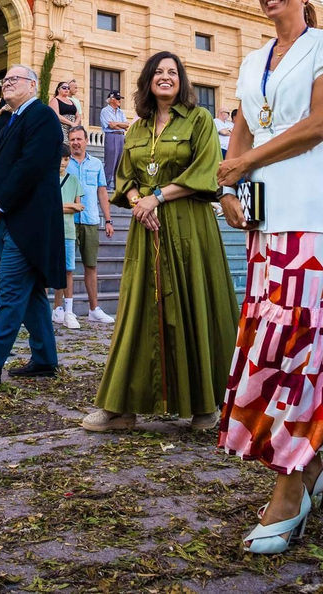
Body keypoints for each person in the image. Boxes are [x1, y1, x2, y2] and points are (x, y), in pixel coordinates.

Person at [214, 0, 323, 555]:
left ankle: (290, 488)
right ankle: (309, 467)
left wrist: (245, 164)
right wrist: (229, 188)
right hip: (269, 218)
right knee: (270, 345)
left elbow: (321, 123)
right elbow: (242, 125)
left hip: (322, 217)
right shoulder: (253, 61)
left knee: (310, 349)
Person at [83, 50, 234, 430]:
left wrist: (158, 197)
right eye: (158, 72)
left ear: (181, 81)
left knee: (193, 304)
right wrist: (140, 202)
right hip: (145, 228)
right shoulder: (136, 128)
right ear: (148, 80)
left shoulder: (199, 119)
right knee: (138, 310)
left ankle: (205, 405)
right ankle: (121, 406)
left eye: (172, 72)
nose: (165, 77)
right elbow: (125, 177)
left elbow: (206, 170)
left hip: (190, 227)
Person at [0, 65, 64, 389]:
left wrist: (0, 203)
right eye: (4, 80)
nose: (5, 84)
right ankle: (44, 359)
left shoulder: (43, 116)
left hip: (29, 221)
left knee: (11, 292)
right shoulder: (8, 121)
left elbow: (30, 166)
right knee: (31, 296)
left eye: (13, 79)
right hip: (5, 220)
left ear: (32, 85)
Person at [65, 125, 115, 323]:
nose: (75, 143)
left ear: (86, 141)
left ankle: (94, 309)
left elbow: (102, 192)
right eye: (72, 139)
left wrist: (108, 220)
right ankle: (63, 309)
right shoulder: (64, 163)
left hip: (90, 220)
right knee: (66, 267)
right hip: (68, 220)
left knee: (91, 265)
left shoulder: (96, 164)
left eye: (79, 139)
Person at [53, 152, 82, 328]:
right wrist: (70, 205)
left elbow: (79, 206)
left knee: (68, 270)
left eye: (65, 159)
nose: (62, 163)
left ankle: (68, 310)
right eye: (59, 159)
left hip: (68, 231)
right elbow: (46, 205)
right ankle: (49, 309)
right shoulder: (47, 178)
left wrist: (60, 206)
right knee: (46, 269)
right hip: (49, 230)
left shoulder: (74, 180)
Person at [100, 91, 128, 188]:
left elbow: (127, 125)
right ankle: (105, 185)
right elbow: (110, 126)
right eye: (118, 98)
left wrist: (116, 124)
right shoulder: (105, 111)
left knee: (120, 163)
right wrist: (120, 126)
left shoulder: (121, 112)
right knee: (110, 163)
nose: (120, 100)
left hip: (121, 137)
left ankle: (118, 186)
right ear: (112, 99)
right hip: (112, 136)